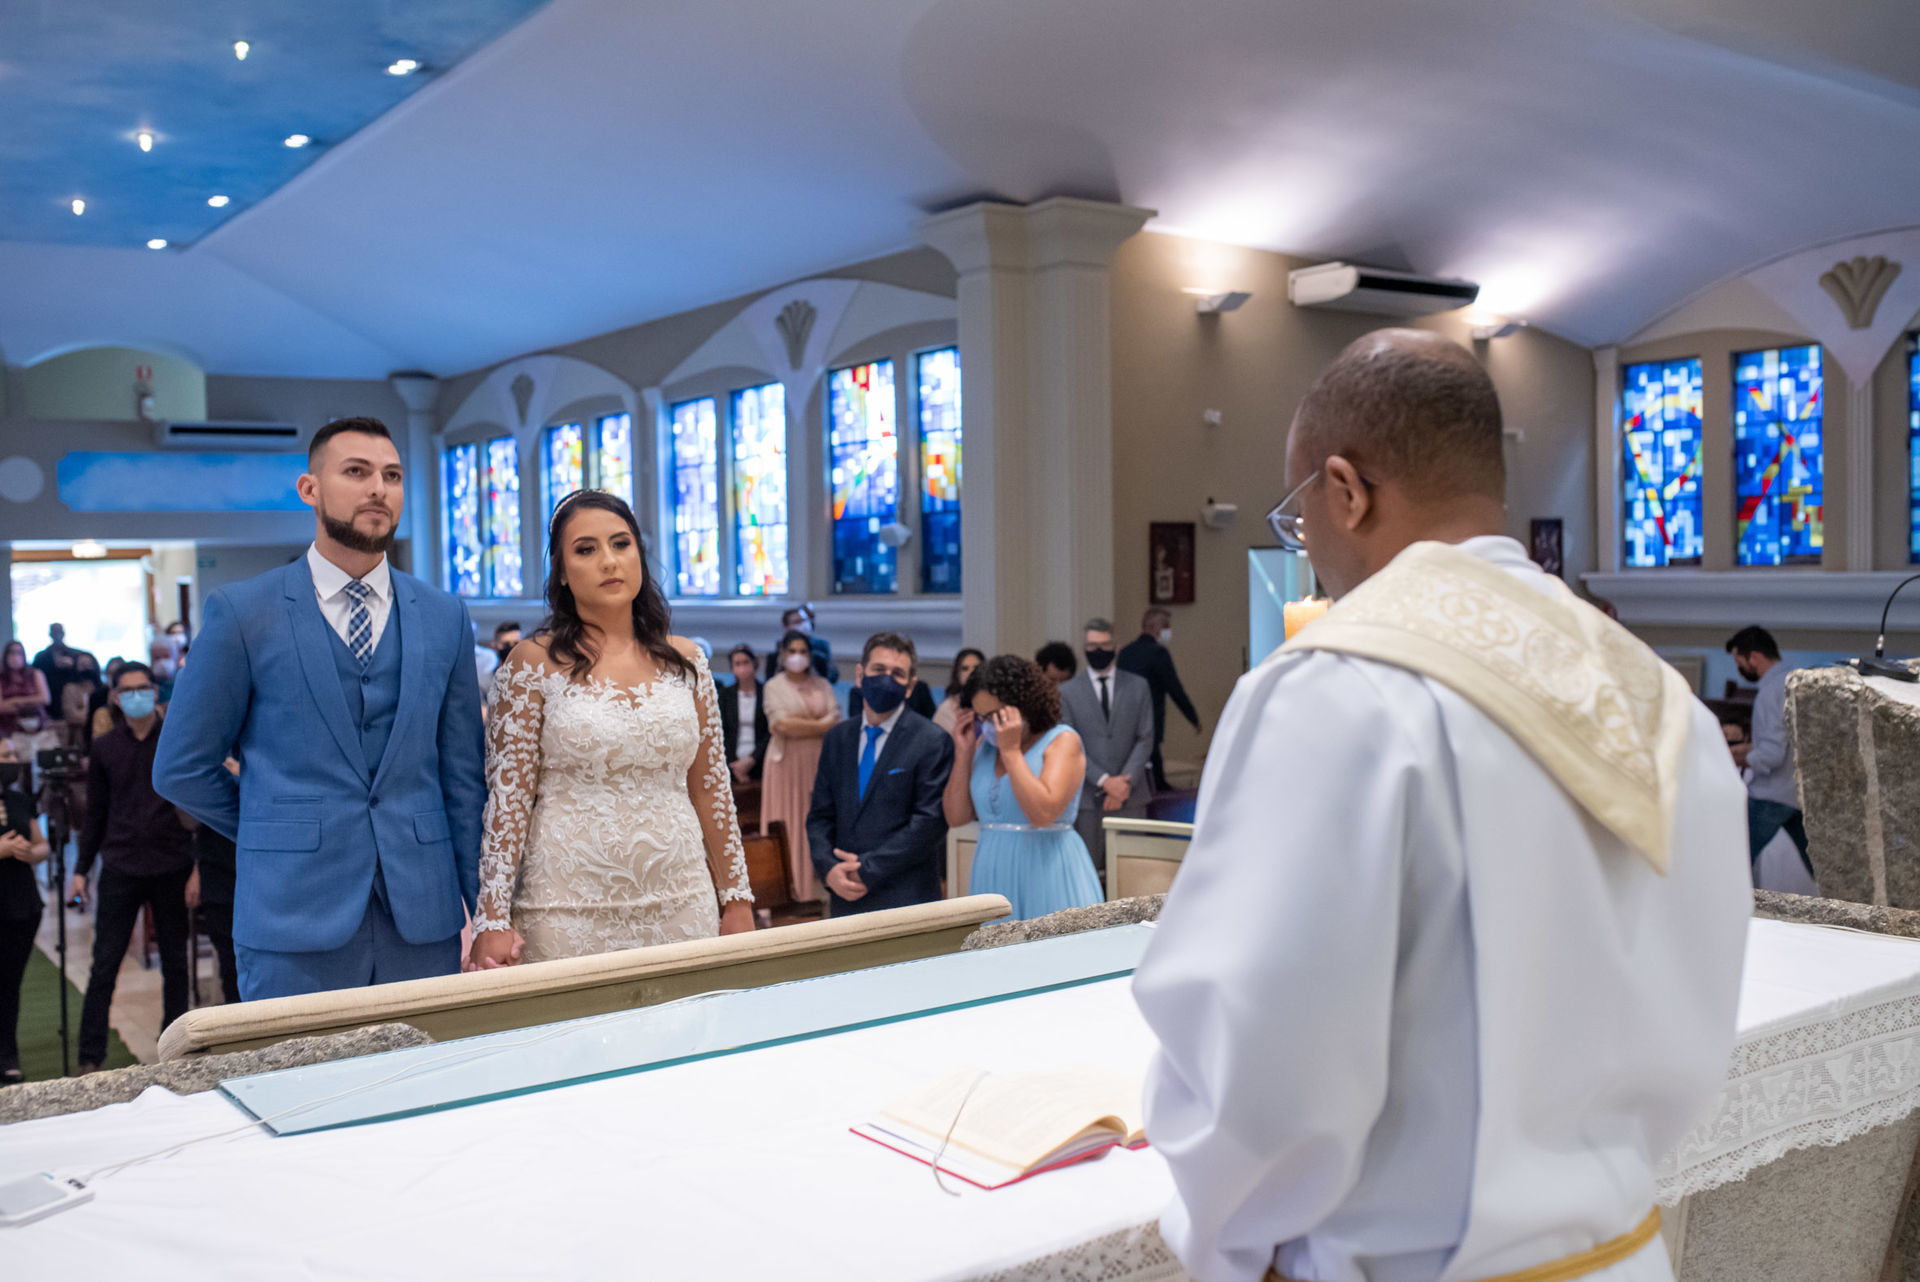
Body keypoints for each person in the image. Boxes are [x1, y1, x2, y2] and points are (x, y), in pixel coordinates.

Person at [1133, 329, 1750, 1282]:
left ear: (1348, 490)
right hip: (1622, 1254)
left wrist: (1221, 1233)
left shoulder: (1336, 689)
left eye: (1300, 521)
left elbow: (1262, 1060)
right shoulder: (1663, 702)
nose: (1310, 552)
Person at [153, 418, 488, 1000]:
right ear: (309, 489)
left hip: (423, 913)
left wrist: (487, 911)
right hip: (292, 917)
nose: (378, 488)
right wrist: (273, 826)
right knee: (300, 1065)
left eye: (392, 476)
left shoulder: (444, 615)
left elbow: (463, 778)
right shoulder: (244, 612)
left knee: (428, 1061)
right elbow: (181, 768)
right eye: (356, 472)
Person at [471, 491, 751, 966]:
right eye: (586, 549)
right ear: (562, 571)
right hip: (566, 907)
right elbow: (509, 800)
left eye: (621, 544)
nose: (608, 560)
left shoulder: (687, 661)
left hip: (682, 902)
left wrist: (736, 897)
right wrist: (492, 916)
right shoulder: (531, 663)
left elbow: (710, 788)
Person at [71, 663, 194, 1072]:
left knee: (175, 962)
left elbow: (195, 804)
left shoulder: (176, 740)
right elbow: (95, 814)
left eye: (144, 688)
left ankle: (175, 1052)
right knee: (105, 963)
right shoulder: (105, 747)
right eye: (128, 690)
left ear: (155, 692)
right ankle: (90, 1056)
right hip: (121, 865)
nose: (137, 696)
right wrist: (80, 870)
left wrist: (198, 866)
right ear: (115, 697)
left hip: (171, 861)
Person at [942, 654, 1101, 920]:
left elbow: (1043, 814)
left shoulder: (1062, 741)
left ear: (1025, 704)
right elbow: (956, 817)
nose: (990, 726)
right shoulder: (984, 747)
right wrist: (963, 753)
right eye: (982, 718)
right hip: (992, 874)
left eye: (996, 715)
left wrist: (1011, 752)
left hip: (1047, 871)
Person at [807, 633, 954, 915]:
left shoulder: (932, 740)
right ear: (860, 675)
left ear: (910, 687)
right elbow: (819, 816)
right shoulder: (838, 737)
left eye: (897, 673)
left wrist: (867, 869)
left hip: (906, 895)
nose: (887, 679)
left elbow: (928, 823)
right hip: (844, 893)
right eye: (878, 669)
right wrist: (829, 869)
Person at [1057, 619, 1154, 874]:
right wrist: (1104, 781)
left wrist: (1124, 783)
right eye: (1092, 646)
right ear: (1084, 648)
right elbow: (1069, 744)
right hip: (1087, 799)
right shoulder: (1067, 691)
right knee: (1087, 874)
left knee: (1132, 874)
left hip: (1130, 796)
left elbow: (1145, 737)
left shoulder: (1138, 686)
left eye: (1105, 645)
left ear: (1116, 646)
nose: (1098, 650)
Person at [762, 629, 842, 900]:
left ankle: (818, 890)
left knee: (818, 820)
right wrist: (819, 725)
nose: (798, 656)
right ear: (783, 654)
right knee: (789, 820)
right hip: (786, 765)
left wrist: (808, 726)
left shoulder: (822, 684)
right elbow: (781, 724)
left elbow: (835, 719)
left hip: (818, 762)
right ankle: (791, 889)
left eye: (803, 651)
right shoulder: (774, 686)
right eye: (792, 651)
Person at [1726, 625, 1811, 879]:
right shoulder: (1792, 682)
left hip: (1770, 795)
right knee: (1821, 866)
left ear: (1753, 657)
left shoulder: (1771, 691)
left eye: (1740, 662)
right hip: (1795, 793)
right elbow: (1783, 742)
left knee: (1733, 862)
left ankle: (1724, 902)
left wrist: (1740, 757)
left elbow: (1773, 753)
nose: (1741, 669)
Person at [0, 741, 51, 1086]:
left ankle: (7, 1055)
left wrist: (33, 853)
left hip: (20, 904)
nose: (12, 761)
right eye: (5, 756)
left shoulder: (18, 799)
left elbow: (41, 843)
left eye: (13, 755)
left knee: (9, 984)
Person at [1119, 607, 1201, 791]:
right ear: (1156, 628)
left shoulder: (1125, 652)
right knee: (1153, 761)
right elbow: (1174, 688)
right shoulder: (1158, 653)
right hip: (1151, 716)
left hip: (1125, 717)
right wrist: (1192, 716)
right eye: (1166, 626)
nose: (1168, 630)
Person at [185, 757, 242, 1005]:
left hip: (261, 874)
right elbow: (188, 819)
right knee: (230, 970)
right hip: (217, 873)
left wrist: (243, 780)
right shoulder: (214, 752)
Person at [718, 644, 770, 786]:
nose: (742, 668)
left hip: (760, 762)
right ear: (732, 667)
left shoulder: (767, 692)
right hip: (731, 764)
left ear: (754, 663)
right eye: (737, 664)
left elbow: (770, 731)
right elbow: (721, 731)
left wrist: (752, 759)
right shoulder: (725, 695)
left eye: (746, 662)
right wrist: (735, 765)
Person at [763, 603, 839, 683]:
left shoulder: (821, 648)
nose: (802, 625)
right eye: (797, 622)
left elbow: (832, 676)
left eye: (804, 621)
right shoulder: (779, 649)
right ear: (786, 627)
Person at [0, 641, 51, 742]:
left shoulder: (35, 674)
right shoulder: (2, 678)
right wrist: (31, 703)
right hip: (8, 731)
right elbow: (1, 707)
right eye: (11, 653)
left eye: (19, 653)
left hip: (37, 728)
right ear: (5, 656)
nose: (15, 657)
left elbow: (45, 699)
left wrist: (15, 700)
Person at [30, 623, 80, 720]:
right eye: (55, 632)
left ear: (63, 633)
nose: (57, 635)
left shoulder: (75, 655)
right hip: (49, 702)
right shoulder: (41, 657)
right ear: (50, 634)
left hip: (72, 701)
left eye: (59, 632)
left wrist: (73, 665)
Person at [933, 647, 986, 732]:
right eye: (965, 669)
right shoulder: (947, 708)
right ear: (957, 674)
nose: (971, 672)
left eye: (976, 668)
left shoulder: (992, 703)